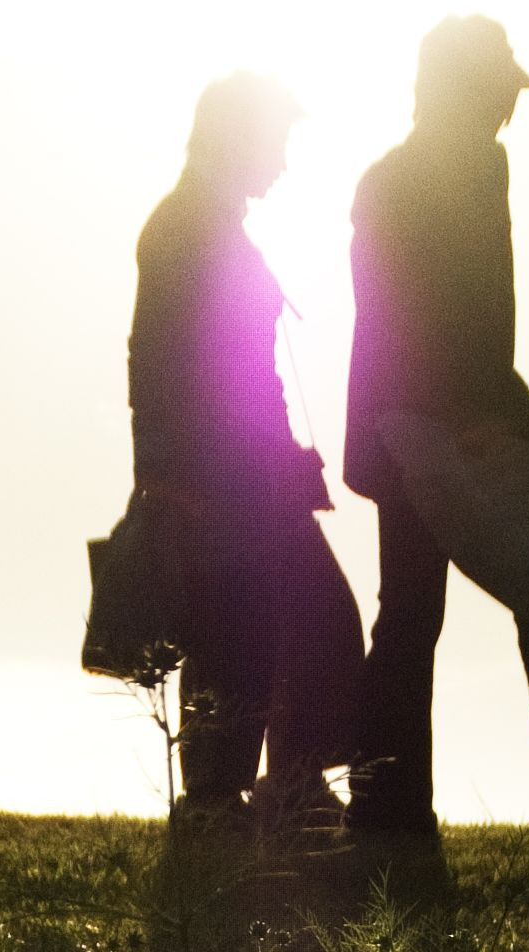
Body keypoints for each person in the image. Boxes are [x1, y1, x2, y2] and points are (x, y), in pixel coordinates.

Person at [345, 16, 529, 844]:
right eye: (493, 90)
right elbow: (434, 318)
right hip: (429, 429)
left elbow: (451, 320)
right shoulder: (447, 174)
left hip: (419, 425)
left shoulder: (415, 175)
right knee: (522, 602)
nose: (504, 109)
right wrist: (484, 417)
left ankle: (388, 809)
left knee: (416, 614)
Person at [129, 73, 364, 834]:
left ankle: (265, 794)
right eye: (274, 143)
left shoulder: (202, 223)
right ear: (239, 138)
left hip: (246, 473)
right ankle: (241, 798)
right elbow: (161, 363)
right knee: (259, 630)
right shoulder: (189, 227)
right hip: (225, 478)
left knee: (279, 628)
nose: (282, 163)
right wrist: (167, 474)